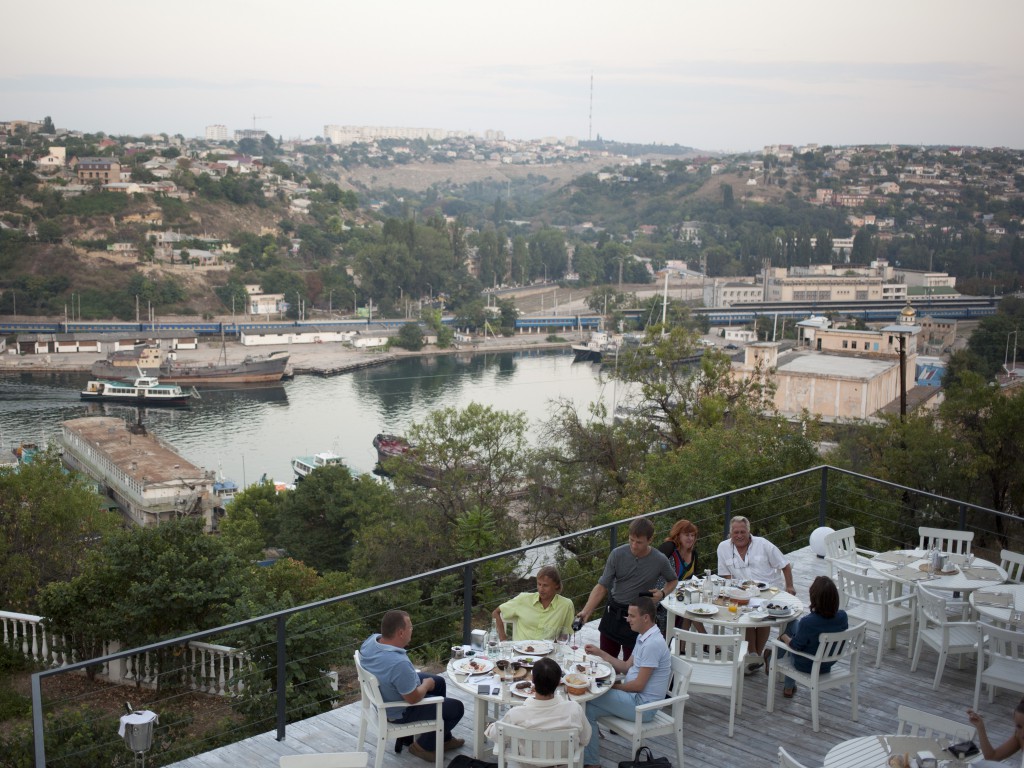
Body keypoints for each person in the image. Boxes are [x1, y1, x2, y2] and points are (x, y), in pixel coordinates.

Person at [359, 610, 465, 762]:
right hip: (399, 710)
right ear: (401, 633)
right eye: (411, 627)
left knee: (439, 682)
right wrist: (426, 686)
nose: (412, 630)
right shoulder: (398, 663)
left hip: (385, 691)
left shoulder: (372, 641)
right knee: (456, 708)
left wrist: (428, 684)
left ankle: (443, 739)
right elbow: (413, 698)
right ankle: (423, 746)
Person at [581, 597, 672, 768]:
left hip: (643, 707)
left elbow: (638, 685)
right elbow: (625, 667)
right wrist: (600, 653)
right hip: (633, 699)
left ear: (645, 617)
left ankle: (585, 758)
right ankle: (591, 762)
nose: (627, 619)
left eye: (631, 616)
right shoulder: (643, 637)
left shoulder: (653, 644)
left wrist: (612, 687)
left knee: (587, 696)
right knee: (588, 709)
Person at [575, 517, 678, 660]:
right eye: (631, 540)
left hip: (639, 617)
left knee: (632, 667)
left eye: (639, 542)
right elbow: (602, 586)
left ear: (650, 540)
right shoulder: (617, 554)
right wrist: (586, 611)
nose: (634, 546)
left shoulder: (659, 559)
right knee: (607, 663)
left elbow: (673, 580)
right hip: (614, 613)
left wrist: (662, 593)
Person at [716, 515, 795, 673]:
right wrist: (731, 592)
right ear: (730, 533)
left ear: (749, 531)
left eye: (742, 532)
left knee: (761, 615)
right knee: (748, 616)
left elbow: (785, 565)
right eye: (736, 532)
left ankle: (754, 657)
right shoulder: (723, 547)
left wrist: (790, 587)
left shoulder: (763, 544)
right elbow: (725, 576)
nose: (739, 535)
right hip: (742, 593)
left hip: (769, 592)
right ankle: (756, 656)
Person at [484, 657, 591, 761]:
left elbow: (496, 736)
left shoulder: (516, 714)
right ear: (559, 682)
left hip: (525, 766)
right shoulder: (574, 709)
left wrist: (490, 726)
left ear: (532, 681)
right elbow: (585, 739)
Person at [764, 575, 847, 698]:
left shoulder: (808, 622)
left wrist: (783, 637)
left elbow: (795, 646)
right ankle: (788, 688)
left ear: (814, 598)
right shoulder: (842, 616)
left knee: (789, 638)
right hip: (828, 663)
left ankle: (772, 661)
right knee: (794, 625)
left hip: (807, 665)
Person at [492, 565, 576, 642]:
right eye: (539, 584)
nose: (541, 589)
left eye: (545, 585)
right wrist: (503, 639)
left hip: (547, 655)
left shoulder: (566, 605)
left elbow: (566, 634)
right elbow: (496, 612)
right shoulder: (523, 599)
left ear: (556, 586)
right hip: (520, 653)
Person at [658, 519, 700, 631]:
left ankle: (681, 646)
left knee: (693, 605)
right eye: (687, 535)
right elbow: (654, 570)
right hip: (663, 598)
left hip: (680, 597)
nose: (690, 538)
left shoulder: (694, 554)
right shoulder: (669, 549)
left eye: (693, 535)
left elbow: (692, 579)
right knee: (690, 608)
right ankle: (708, 641)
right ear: (678, 535)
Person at [967, 697, 1024, 766]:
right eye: (1019, 726)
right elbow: (991, 757)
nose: (1023, 733)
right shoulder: (1019, 736)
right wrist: (980, 726)